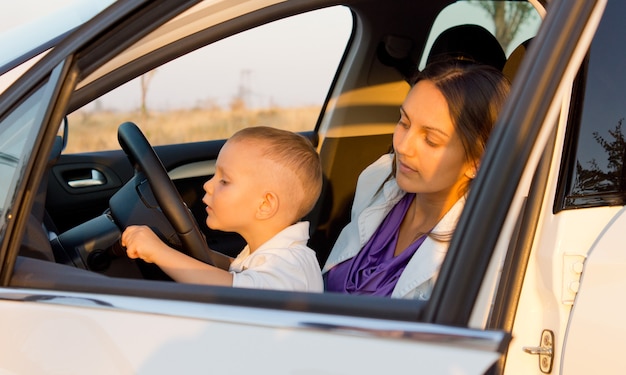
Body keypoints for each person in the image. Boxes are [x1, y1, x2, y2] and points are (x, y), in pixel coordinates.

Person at [322, 59, 511, 299]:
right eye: (404, 122)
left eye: (431, 140)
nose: (402, 146)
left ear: (478, 162)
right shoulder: (377, 178)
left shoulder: (482, 253)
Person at [121, 126, 324, 292]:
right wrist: (202, 252)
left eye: (224, 181)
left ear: (265, 205)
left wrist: (159, 252)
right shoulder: (270, 253)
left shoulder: (289, 264)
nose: (207, 185)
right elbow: (238, 270)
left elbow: (232, 290)